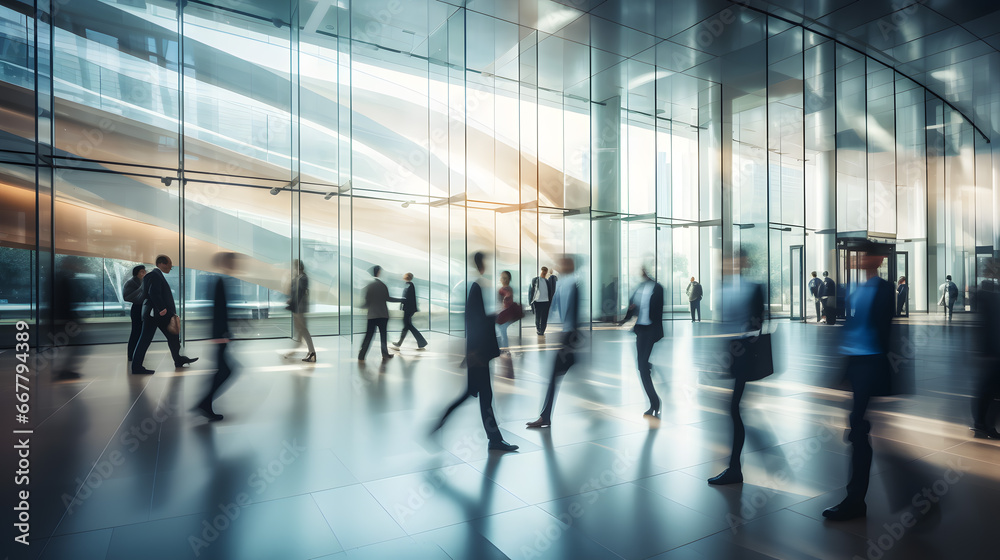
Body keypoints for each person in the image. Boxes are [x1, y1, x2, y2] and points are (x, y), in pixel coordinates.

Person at [823, 242, 896, 521]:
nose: (861, 260)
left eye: (867, 255)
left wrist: (882, 373)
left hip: (871, 363)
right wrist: (844, 370)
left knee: (858, 430)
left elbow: (885, 331)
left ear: (878, 259)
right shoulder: (856, 289)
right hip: (856, 364)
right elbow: (851, 328)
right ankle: (857, 498)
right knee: (858, 429)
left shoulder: (884, 288)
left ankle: (856, 500)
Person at [433, 252, 519, 452]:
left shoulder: (475, 286)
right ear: (482, 264)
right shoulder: (477, 287)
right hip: (478, 354)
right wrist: (475, 352)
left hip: (478, 353)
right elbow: (475, 322)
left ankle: (494, 439)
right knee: (473, 395)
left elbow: (475, 320)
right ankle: (438, 426)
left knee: (483, 396)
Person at [708, 249, 765, 485]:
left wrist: (743, 337)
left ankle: (735, 468)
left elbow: (758, 322)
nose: (731, 264)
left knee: (734, 408)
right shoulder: (724, 288)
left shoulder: (753, 287)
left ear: (744, 262)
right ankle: (736, 465)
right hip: (730, 354)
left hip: (743, 355)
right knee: (734, 409)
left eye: (735, 260)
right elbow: (721, 324)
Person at [526, 256, 582, 428]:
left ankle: (545, 416)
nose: (559, 265)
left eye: (564, 262)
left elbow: (574, 313)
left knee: (555, 376)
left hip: (570, 338)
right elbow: (556, 307)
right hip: (567, 336)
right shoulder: (561, 283)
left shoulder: (574, 284)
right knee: (559, 375)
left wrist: (568, 335)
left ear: (570, 266)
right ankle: (545, 416)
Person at [131, 255, 197, 374]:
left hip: (156, 314)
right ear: (162, 263)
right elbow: (153, 293)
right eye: (169, 264)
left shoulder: (153, 275)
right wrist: (162, 309)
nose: (171, 267)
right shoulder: (155, 275)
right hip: (156, 314)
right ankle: (136, 367)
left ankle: (178, 360)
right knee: (145, 340)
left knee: (173, 336)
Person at [195, 252, 238, 422]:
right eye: (233, 262)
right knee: (226, 370)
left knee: (223, 370)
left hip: (221, 335)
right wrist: (221, 335)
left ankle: (205, 403)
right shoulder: (220, 280)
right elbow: (218, 311)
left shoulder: (222, 279)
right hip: (220, 335)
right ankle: (204, 403)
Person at [621, 266, 665, 417]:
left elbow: (658, 310)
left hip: (652, 330)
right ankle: (654, 401)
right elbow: (632, 306)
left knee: (642, 366)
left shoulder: (658, 288)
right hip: (641, 329)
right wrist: (624, 319)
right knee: (642, 367)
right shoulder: (639, 287)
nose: (642, 272)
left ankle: (655, 402)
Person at [972, 276, 1000, 439]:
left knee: (988, 388)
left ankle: (982, 424)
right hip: (994, 351)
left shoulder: (986, 298)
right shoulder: (991, 298)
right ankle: (984, 424)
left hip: (991, 351)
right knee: (990, 388)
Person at [359, 265, 403, 361]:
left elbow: (367, 302)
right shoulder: (383, 285)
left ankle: (362, 355)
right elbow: (388, 298)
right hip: (383, 314)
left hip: (372, 315)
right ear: (379, 272)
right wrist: (401, 300)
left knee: (369, 335)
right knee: (383, 335)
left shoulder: (369, 286)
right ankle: (385, 354)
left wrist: (361, 306)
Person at [285, 259, 316, 362]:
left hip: (299, 309)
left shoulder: (303, 278)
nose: (294, 269)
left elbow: (300, 293)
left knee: (303, 330)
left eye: (295, 267)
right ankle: (294, 353)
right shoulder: (297, 278)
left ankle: (312, 352)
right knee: (300, 332)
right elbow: (293, 292)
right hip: (296, 308)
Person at [393, 272, 427, 350]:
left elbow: (407, 298)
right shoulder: (409, 285)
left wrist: (401, 303)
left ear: (407, 277)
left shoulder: (409, 285)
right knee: (407, 326)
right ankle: (421, 342)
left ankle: (421, 342)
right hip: (409, 309)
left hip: (409, 309)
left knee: (408, 326)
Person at [123, 265, 147, 361]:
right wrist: (140, 289)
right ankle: (131, 354)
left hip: (143, 308)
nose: (144, 273)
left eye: (144, 271)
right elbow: (127, 296)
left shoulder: (143, 281)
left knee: (141, 332)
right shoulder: (130, 283)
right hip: (137, 308)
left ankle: (137, 353)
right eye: (141, 272)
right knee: (135, 332)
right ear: (136, 273)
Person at [528, 266, 553, 335]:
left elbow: (550, 292)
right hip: (537, 302)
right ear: (540, 272)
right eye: (543, 272)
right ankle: (538, 329)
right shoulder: (535, 280)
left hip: (546, 302)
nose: (544, 274)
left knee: (544, 318)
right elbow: (531, 291)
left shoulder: (547, 281)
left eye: (545, 273)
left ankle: (542, 331)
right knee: (538, 317)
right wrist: (530, 301)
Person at [495, 271, 515, 352]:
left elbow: (505, 302)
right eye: (502, 277)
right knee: (501, 331)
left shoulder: (506, 289)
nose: (502, 279)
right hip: (504, 314)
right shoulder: (504, 289)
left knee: (502, 331)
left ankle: (504, 349)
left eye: (504, 278)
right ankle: (503, 348)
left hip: (505, 314)